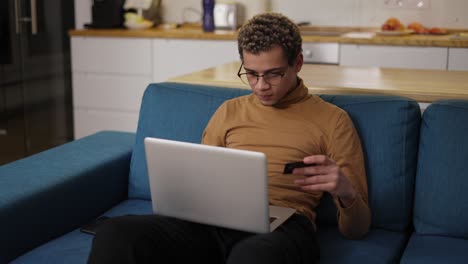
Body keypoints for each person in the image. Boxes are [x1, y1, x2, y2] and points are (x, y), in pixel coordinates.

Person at [87, 12, 371, 264]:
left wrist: (345, 191)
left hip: (285, 227)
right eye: (251, 74)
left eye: (273, 74)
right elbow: (201, 184)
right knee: (116, 232)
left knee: (253, 256)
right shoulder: (229, 112)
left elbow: (357, 229)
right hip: (214, 223)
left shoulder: (333, 120)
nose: (261, 86)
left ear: (297, 63)